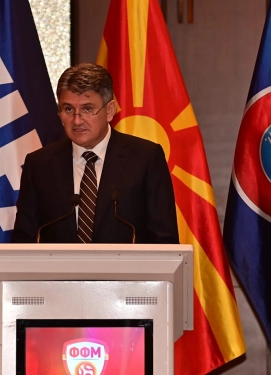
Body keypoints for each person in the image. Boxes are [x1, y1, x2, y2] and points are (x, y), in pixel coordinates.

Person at [12, 63, 178, 244]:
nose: (77, 120)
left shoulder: (146, 158)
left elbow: (165, 241)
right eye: (68, 109)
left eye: (87, 109)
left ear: (110, 110)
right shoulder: (39, 164)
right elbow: (23, 240)